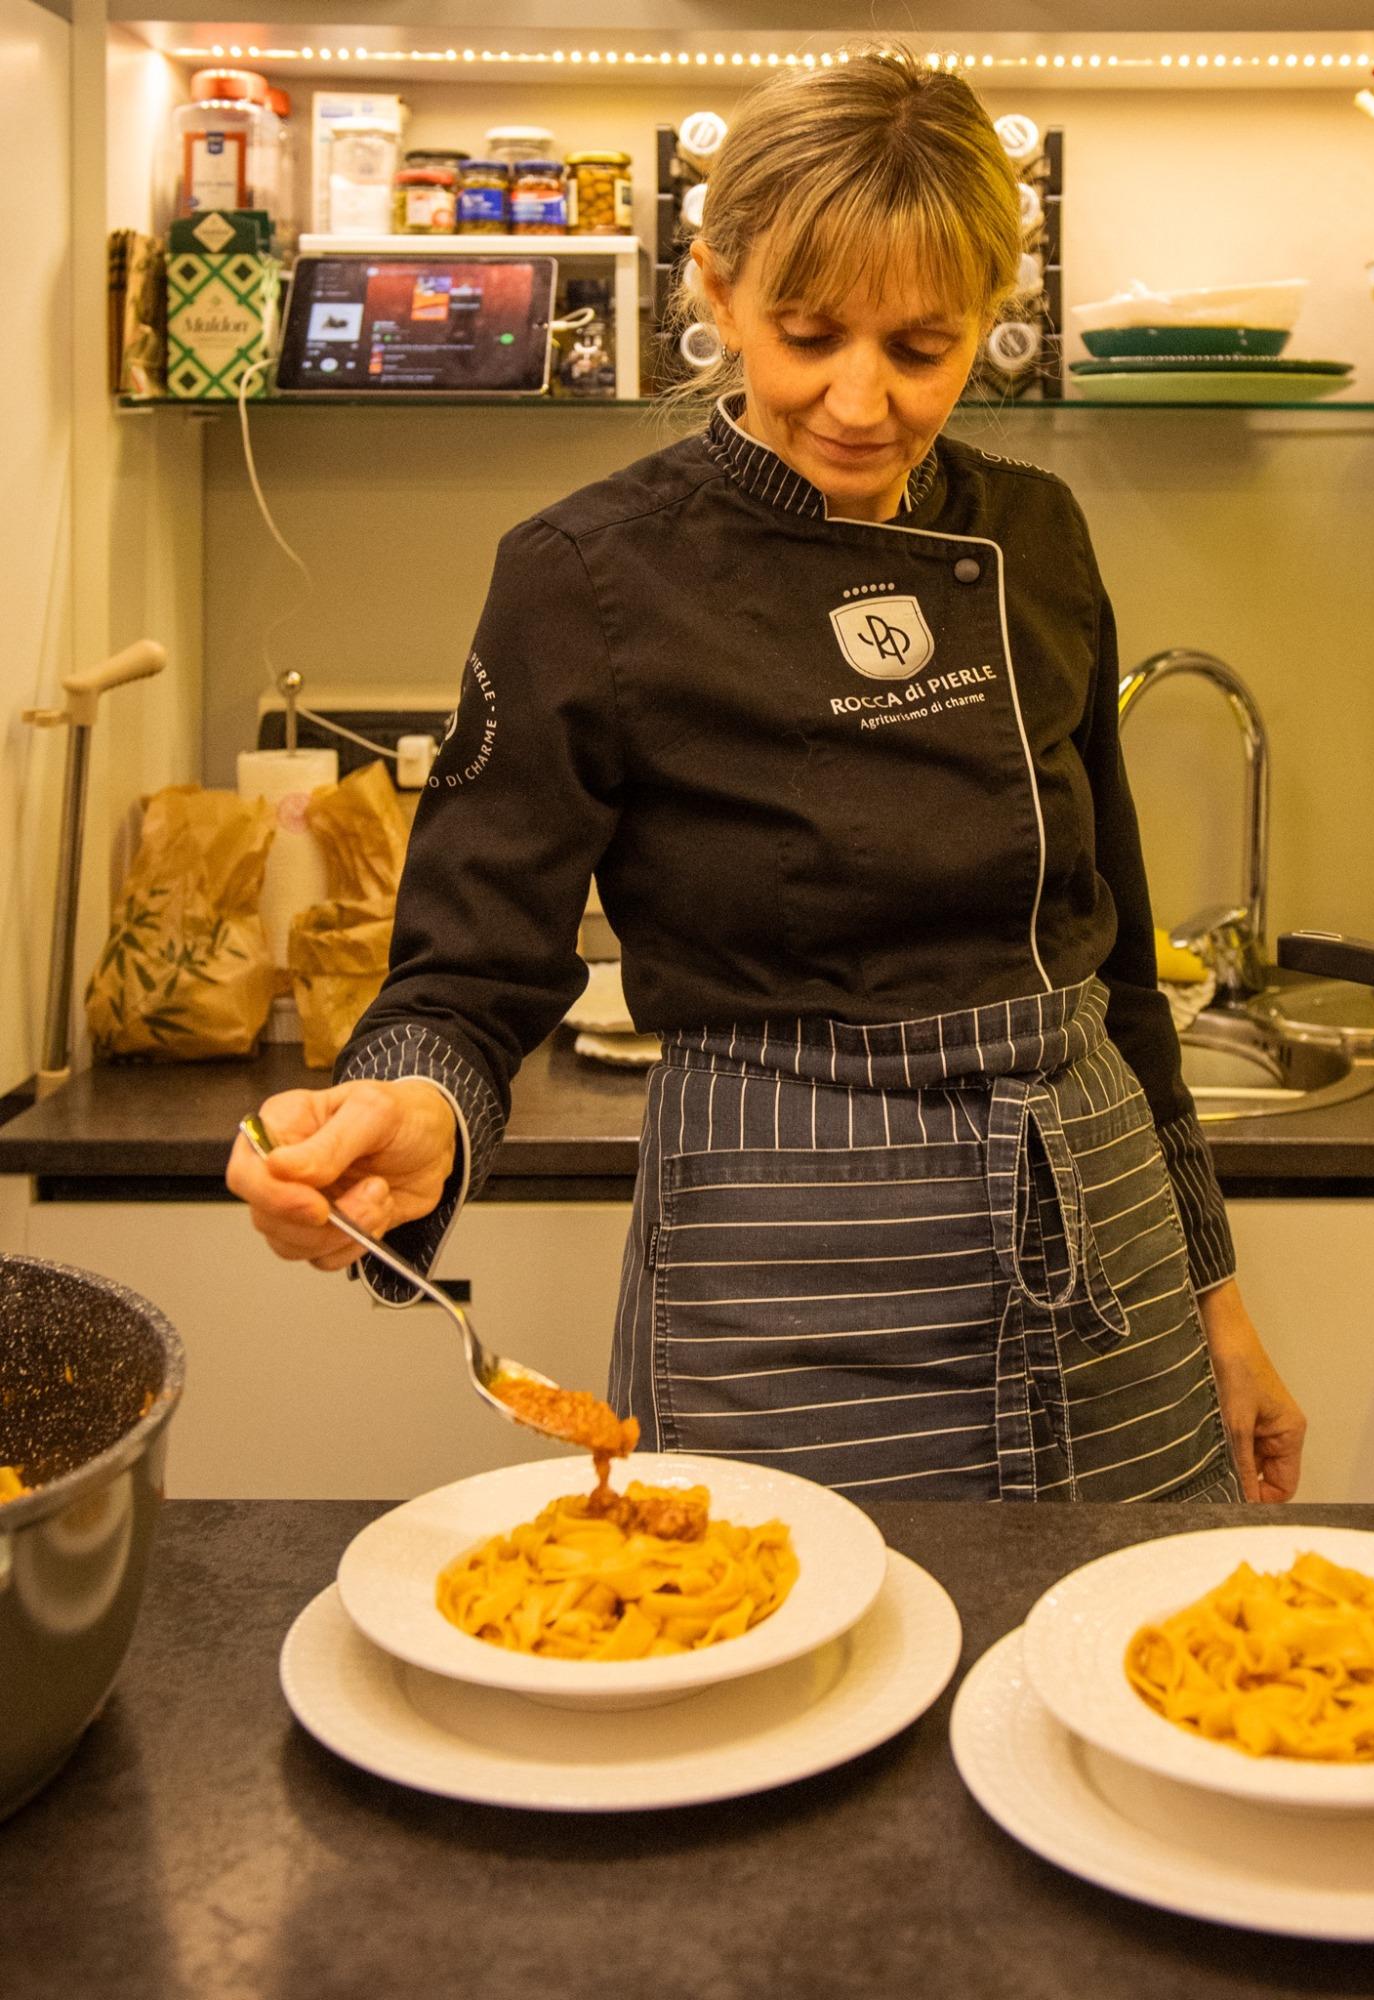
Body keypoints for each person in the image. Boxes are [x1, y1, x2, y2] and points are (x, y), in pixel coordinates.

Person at [227, 50, 1306, 1505]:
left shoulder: (1038, 534)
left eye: (922, 348)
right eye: (807, 333)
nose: (860, 400)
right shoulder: (585, 573)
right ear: (718, 290)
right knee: (787, 1681)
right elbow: (462, 983)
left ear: (989, 319)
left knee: (1126, 1677)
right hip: (783, 1257)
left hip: (1097, 1237)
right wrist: (406, 1113)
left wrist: (1215, 1295)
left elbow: (1111, 960)